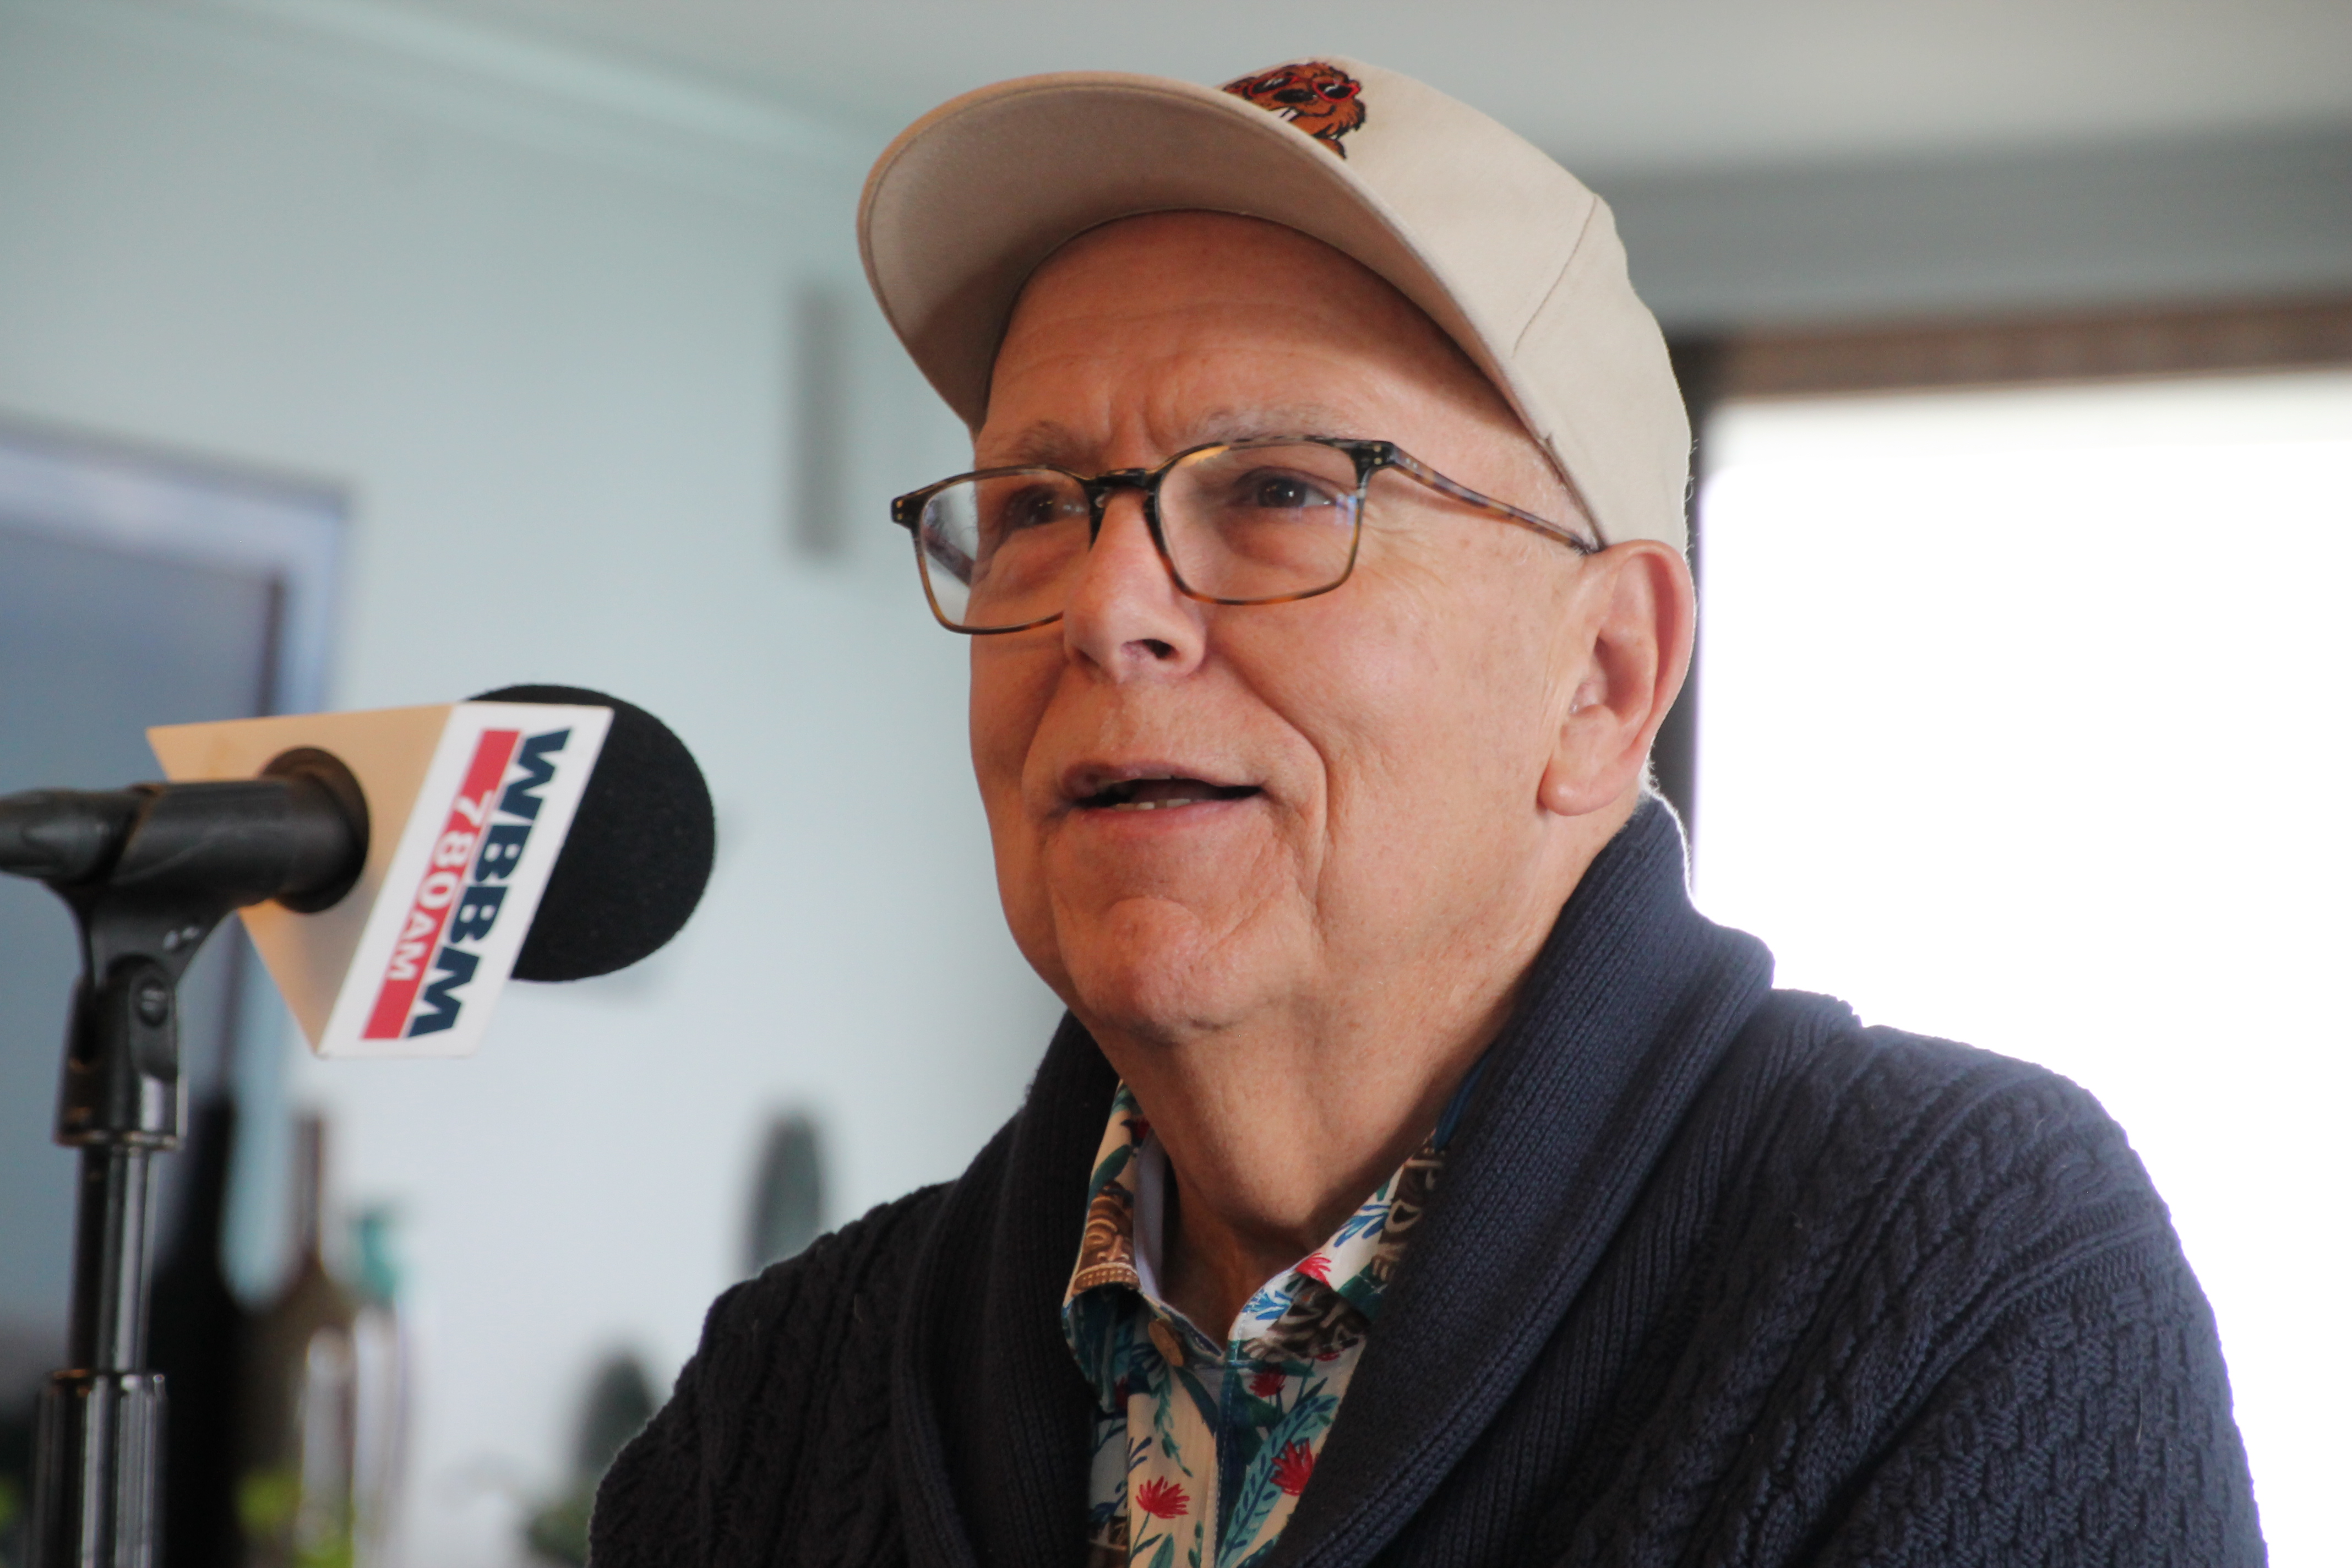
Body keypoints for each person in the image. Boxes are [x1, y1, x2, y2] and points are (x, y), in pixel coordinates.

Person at [593, 58, 2261, 1568]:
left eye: (1280, 491)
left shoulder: (1960, 1287)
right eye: (1036, 507)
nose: (1109, 607)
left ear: (1604, 679)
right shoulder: (788, 1392)